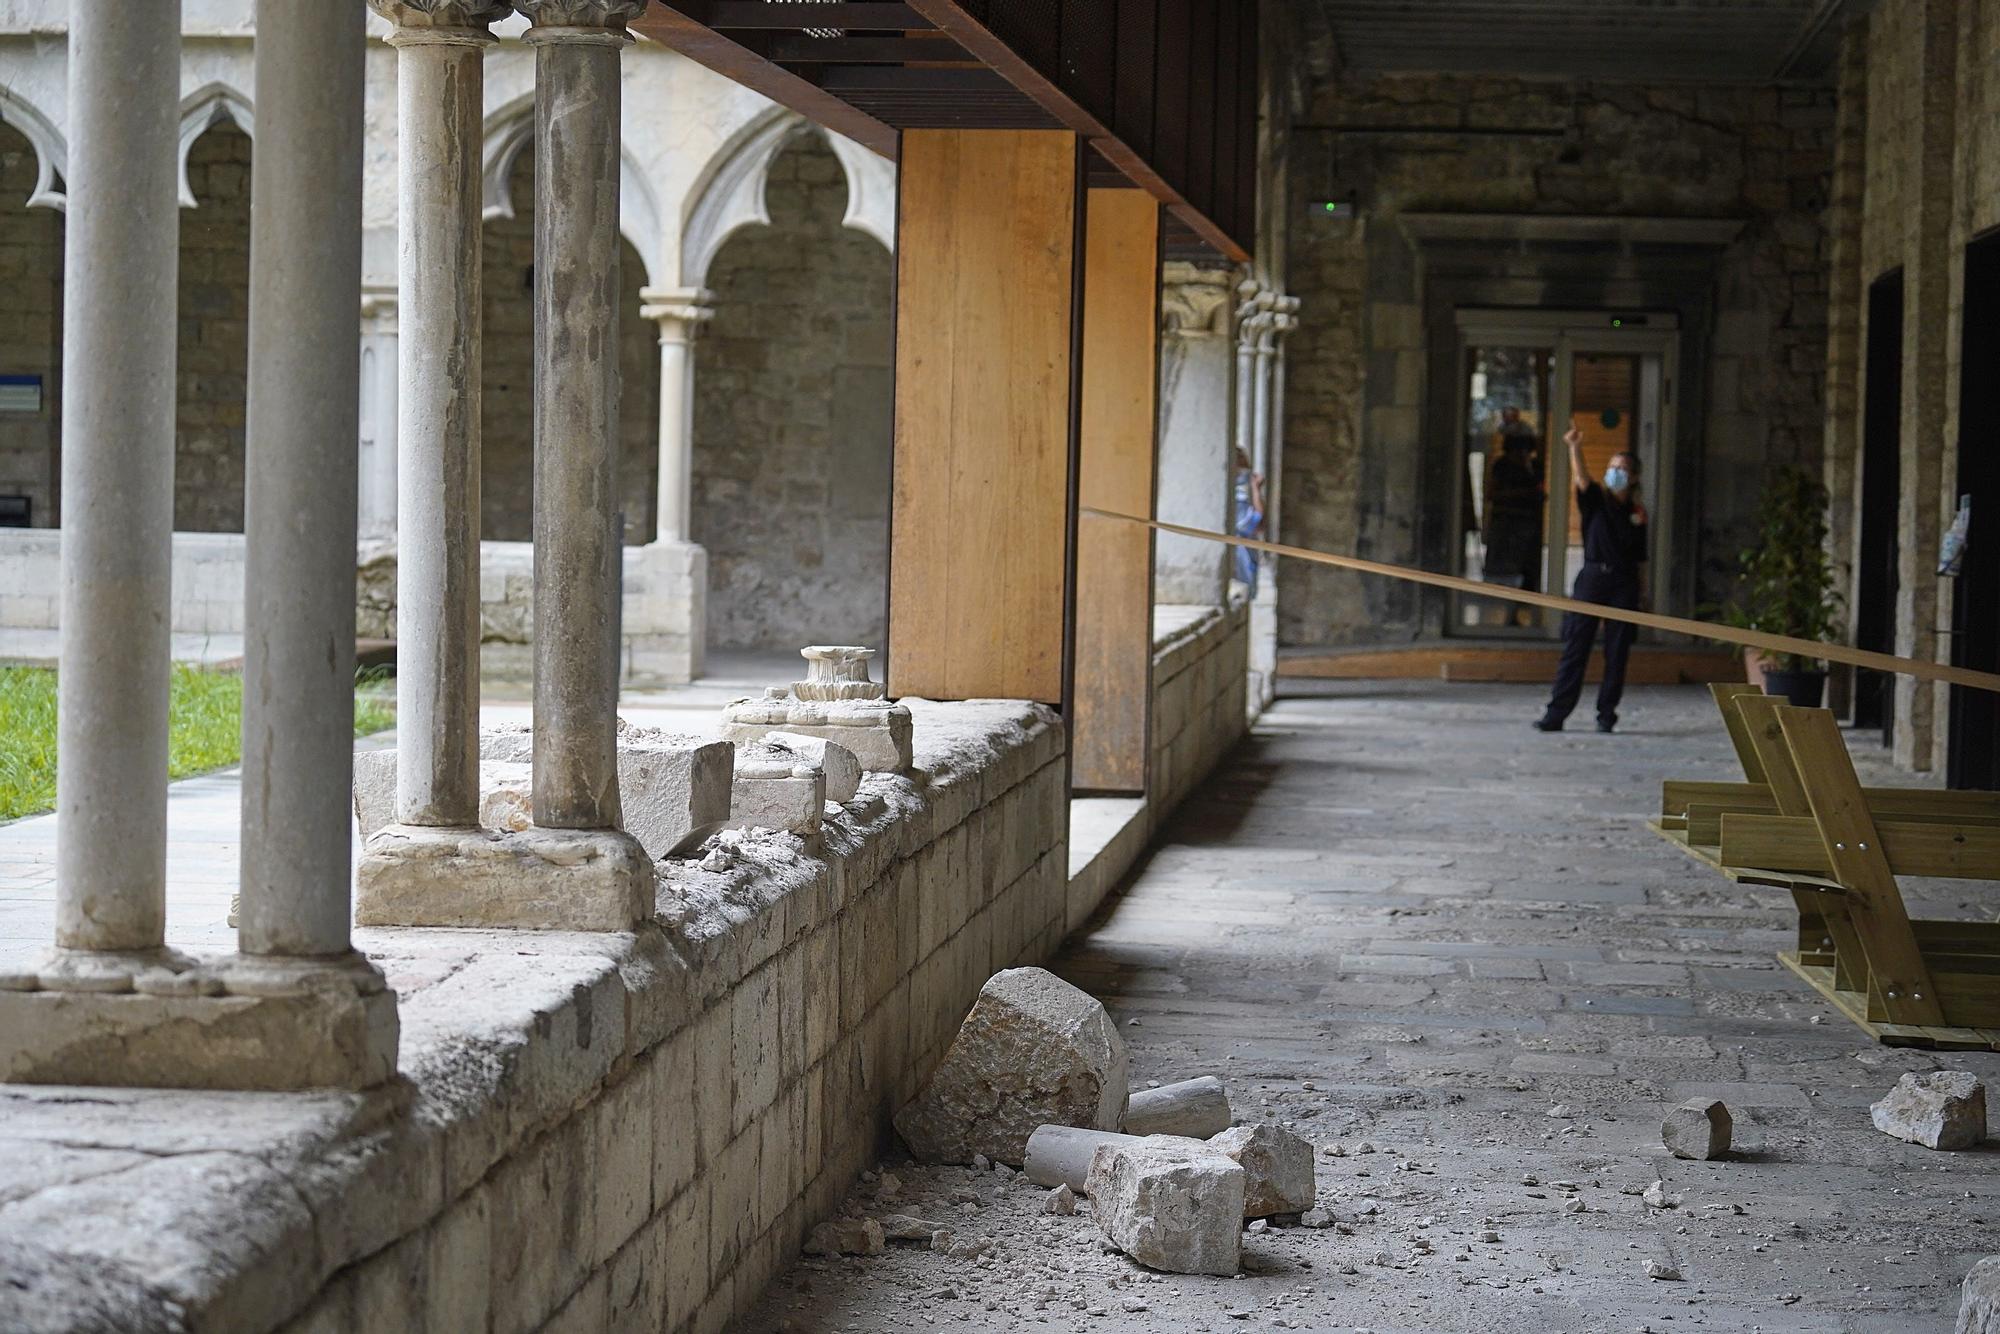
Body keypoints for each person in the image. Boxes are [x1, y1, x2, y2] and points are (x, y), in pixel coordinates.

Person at [1534, 427, 1647, 733]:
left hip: (1623, 582)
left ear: (1634, 477)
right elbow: (1581, 478)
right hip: (1593, 577)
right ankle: (1556, 713)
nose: (1615, 473)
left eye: (1622, 469)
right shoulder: (1596, 499)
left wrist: (1642, 594)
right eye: (1612, 468)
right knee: (1576, 645)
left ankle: (1606, 714)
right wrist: (1574, 447)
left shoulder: (1637, 513)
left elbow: (1640, 559)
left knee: (1617, 650)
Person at [1232, 446, 1265, 596]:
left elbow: (1257, 521)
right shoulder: (1238, 487)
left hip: (1243, 546)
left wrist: (1255, 490)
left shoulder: (1244, 484)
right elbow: (1254, 521)